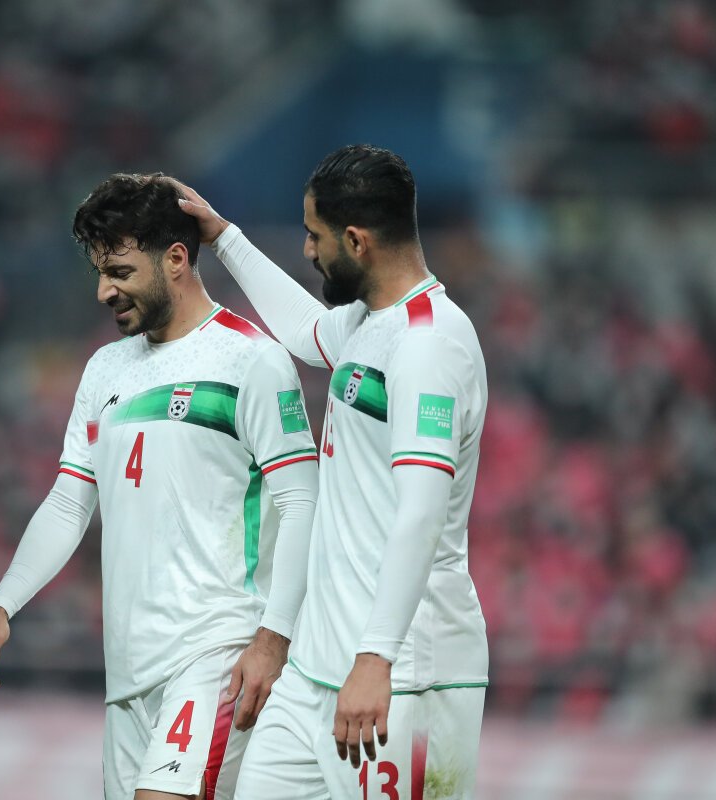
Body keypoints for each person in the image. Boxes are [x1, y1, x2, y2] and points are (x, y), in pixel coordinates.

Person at [0, 173, 319, 800]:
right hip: (127, 672)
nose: (104, 291)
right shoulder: (105, 369)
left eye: (121, 272)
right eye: (100, 273)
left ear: (176, 258)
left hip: (218, 650)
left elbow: (300, 500)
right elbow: (70, 501)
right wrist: (4, 603)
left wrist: (273, 637)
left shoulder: (252, 360)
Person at [175, 145, 488, 799]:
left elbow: (421, 513)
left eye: (316, 237)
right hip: (317, 671)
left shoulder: (430, 346)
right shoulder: (371, 324)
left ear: (356, 240)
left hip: (404, 677)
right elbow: (307, 330)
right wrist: (222, 236)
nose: (308, 251)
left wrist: (376, 658)